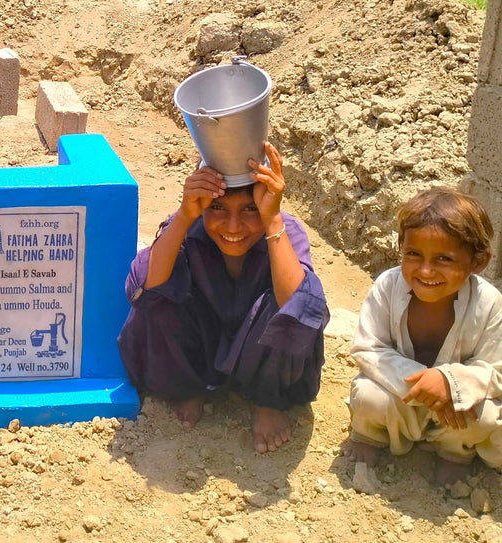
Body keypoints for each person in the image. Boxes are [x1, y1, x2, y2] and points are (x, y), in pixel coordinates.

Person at [118, 142, 329, 453]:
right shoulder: (189, 228)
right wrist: (185, 214)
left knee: (291, 302)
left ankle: (265, 400)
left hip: (262, 357)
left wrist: (271, 222)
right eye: (217, 208)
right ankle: (189, 385)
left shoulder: (285, 230)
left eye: (250, 210)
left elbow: (301, 310)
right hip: (201, 348)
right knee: (160, 296)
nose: (233, 227)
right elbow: (143, 286)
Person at [345, 188, 502, 485]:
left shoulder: (489, 302)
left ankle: (454, 452)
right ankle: (371, 435)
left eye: (443, 258)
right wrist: (426, 382)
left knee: (485, 416)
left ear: (478, 262)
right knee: (367, 396)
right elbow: (367, 348)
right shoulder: (387, 287)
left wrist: (450, 384)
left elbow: (495, 369)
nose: (426, 270)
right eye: (413, 254)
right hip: (401, 395)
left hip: (457, 407)